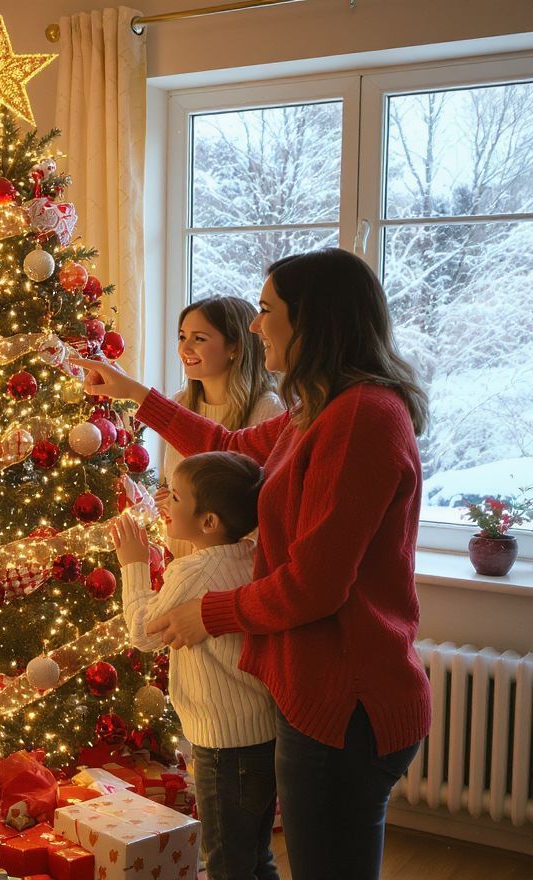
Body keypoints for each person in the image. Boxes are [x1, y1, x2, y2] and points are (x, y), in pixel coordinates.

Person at [73, 248, 431, 879]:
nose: (257, 324)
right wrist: (137, 396)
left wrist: (206, 614)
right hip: (322, 692)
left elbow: (314, 585)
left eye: (267, 310)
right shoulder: (321, 407)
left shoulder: (360, 418)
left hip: (346, 701)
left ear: (314, 322)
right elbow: (230, 448)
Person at [114, 451, 278, 880]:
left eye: (178, 499)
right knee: (258, 857)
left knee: (226, 861)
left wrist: (133, 564)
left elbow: (144, 633)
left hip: (225, 746)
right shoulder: (251, 557)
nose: (165, 505)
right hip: (263, 734)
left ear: (208, 522)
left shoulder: (192, 572)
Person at [157, 296, 282, 562]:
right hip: (179, 561)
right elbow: (176, 482)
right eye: (182, 337)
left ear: (234, 347)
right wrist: (169, 498)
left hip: (233, 568)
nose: (185, 348)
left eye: (199, 339)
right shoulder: (180, 405)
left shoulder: (267, 410)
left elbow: (265, 509)